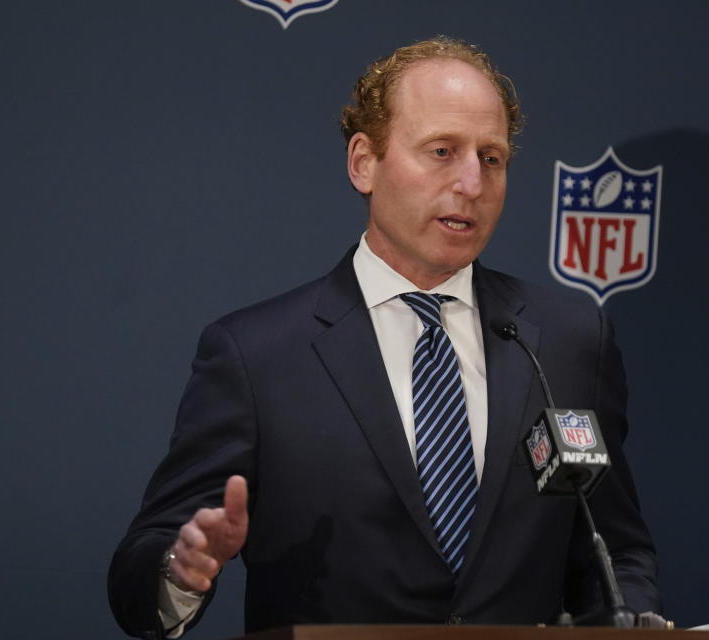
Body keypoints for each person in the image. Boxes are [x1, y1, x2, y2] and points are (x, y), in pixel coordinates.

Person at [108, 36, 660, 639]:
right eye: (443, 151)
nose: (472, 183)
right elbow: (145, 562)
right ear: (364, 162)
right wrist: (181, 572)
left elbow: (614, 551)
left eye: (492, 157)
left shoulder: (569, 339)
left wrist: (626, 618)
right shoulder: (255, 357)